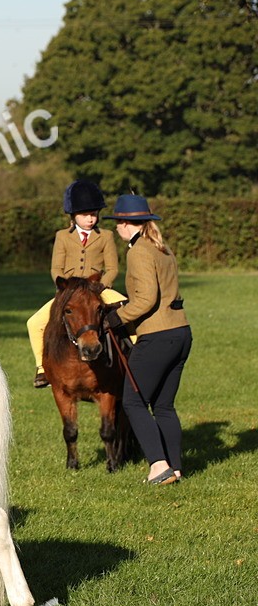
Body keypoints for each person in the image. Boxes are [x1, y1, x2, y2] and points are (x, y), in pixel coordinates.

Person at [103, 194, 191, 486]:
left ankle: (158, 465)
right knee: (164, 405)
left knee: (133, 401)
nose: (116, 228)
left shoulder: (138, 251)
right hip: (181, 333)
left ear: (128, 223)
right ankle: (176, 468)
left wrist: (117, 318)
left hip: (157, 337)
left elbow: (146, 298)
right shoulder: (162, 247)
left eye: (118, 223)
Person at [27, 179, 126, 388]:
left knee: (130, 310)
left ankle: (136, 360)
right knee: (34, 323)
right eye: (85, 215)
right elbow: (56, 269)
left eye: (94, 214)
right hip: (69, 293)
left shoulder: (106, 236)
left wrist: (100, 287)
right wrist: (65, 290)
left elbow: (113, 269)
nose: (90, 219)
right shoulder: (62, 236)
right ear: (73, 216)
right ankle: (42, 368)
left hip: (98, 290)